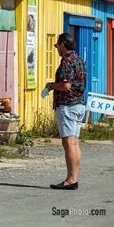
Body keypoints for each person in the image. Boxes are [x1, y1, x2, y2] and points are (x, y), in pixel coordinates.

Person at [45, 33, 86, 190]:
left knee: (68, 142)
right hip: (79, 104)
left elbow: (66, 85)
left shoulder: (67, 62)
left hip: (68, 105)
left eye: (57, 46)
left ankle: (71, 179)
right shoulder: (79, 60)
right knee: (74, 142)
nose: (57, 49)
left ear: (63, 44)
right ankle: (74, 177)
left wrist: (51, 85)